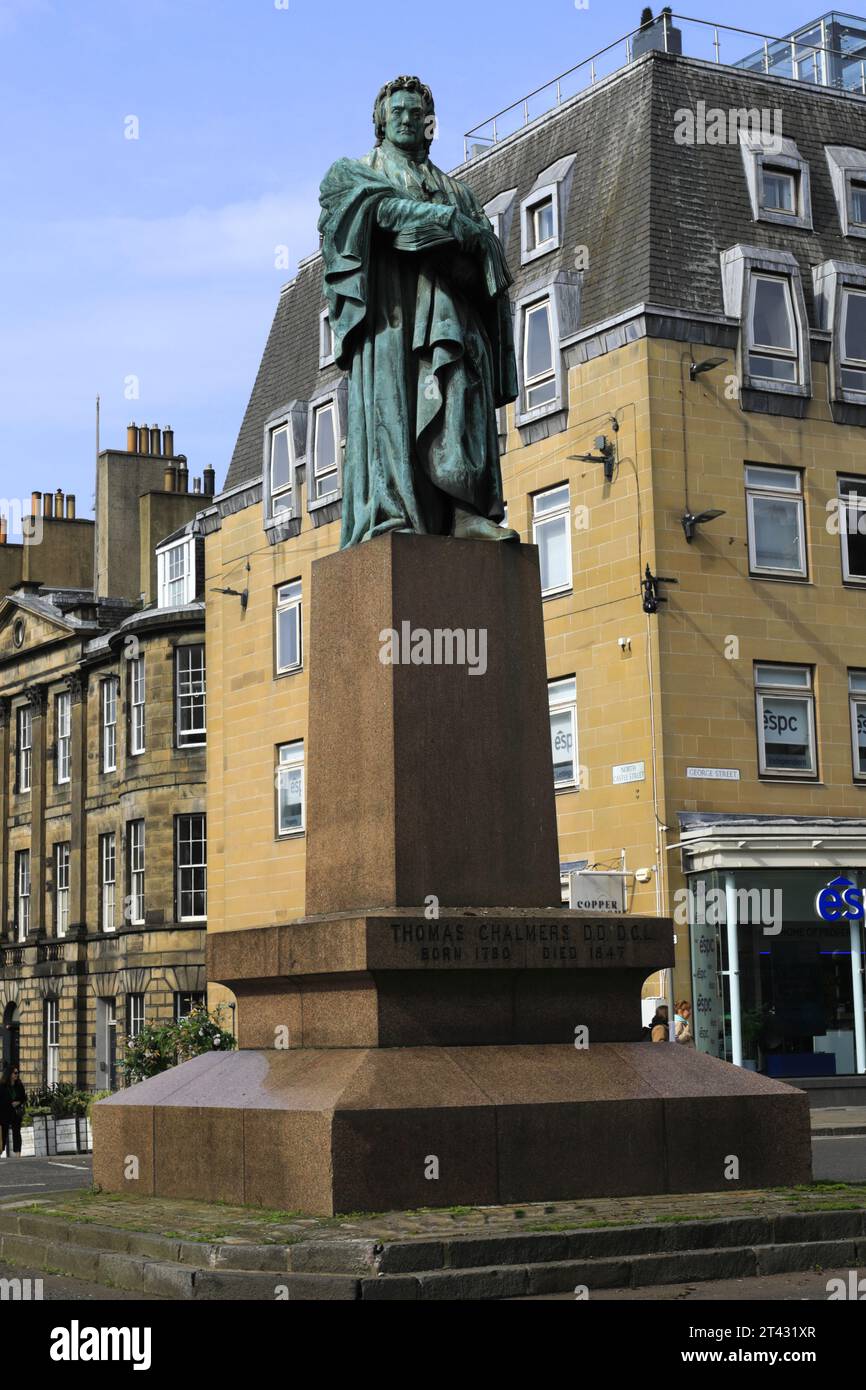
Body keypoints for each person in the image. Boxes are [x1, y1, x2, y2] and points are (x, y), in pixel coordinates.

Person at [318, 75, 520, 548]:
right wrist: (446, 225)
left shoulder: (459, 192)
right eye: (399, 112)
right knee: (395, 416)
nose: (408, 119)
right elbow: (380, 215)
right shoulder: (353, 174)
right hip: (391, 324)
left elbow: (488, 268)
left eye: (417, 113)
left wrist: (462, 244)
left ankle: (466, 512)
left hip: (451, 319)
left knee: (460, 398)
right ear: (381, 122)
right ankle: (392, 516)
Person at [0, 1065, 26, 1157]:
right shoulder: (2, 1086)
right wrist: (9, 1103)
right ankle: (1, 1150)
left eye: (17, 1073)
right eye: (15, 1073)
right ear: (9, 1074)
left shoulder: (19, 1085)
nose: (17, 1075)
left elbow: (23, 1097)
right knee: (3, 1133)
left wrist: (18, 1102)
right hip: (4, 1113)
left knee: (16, 1133)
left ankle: (18, 1153)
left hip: (16, 1112)